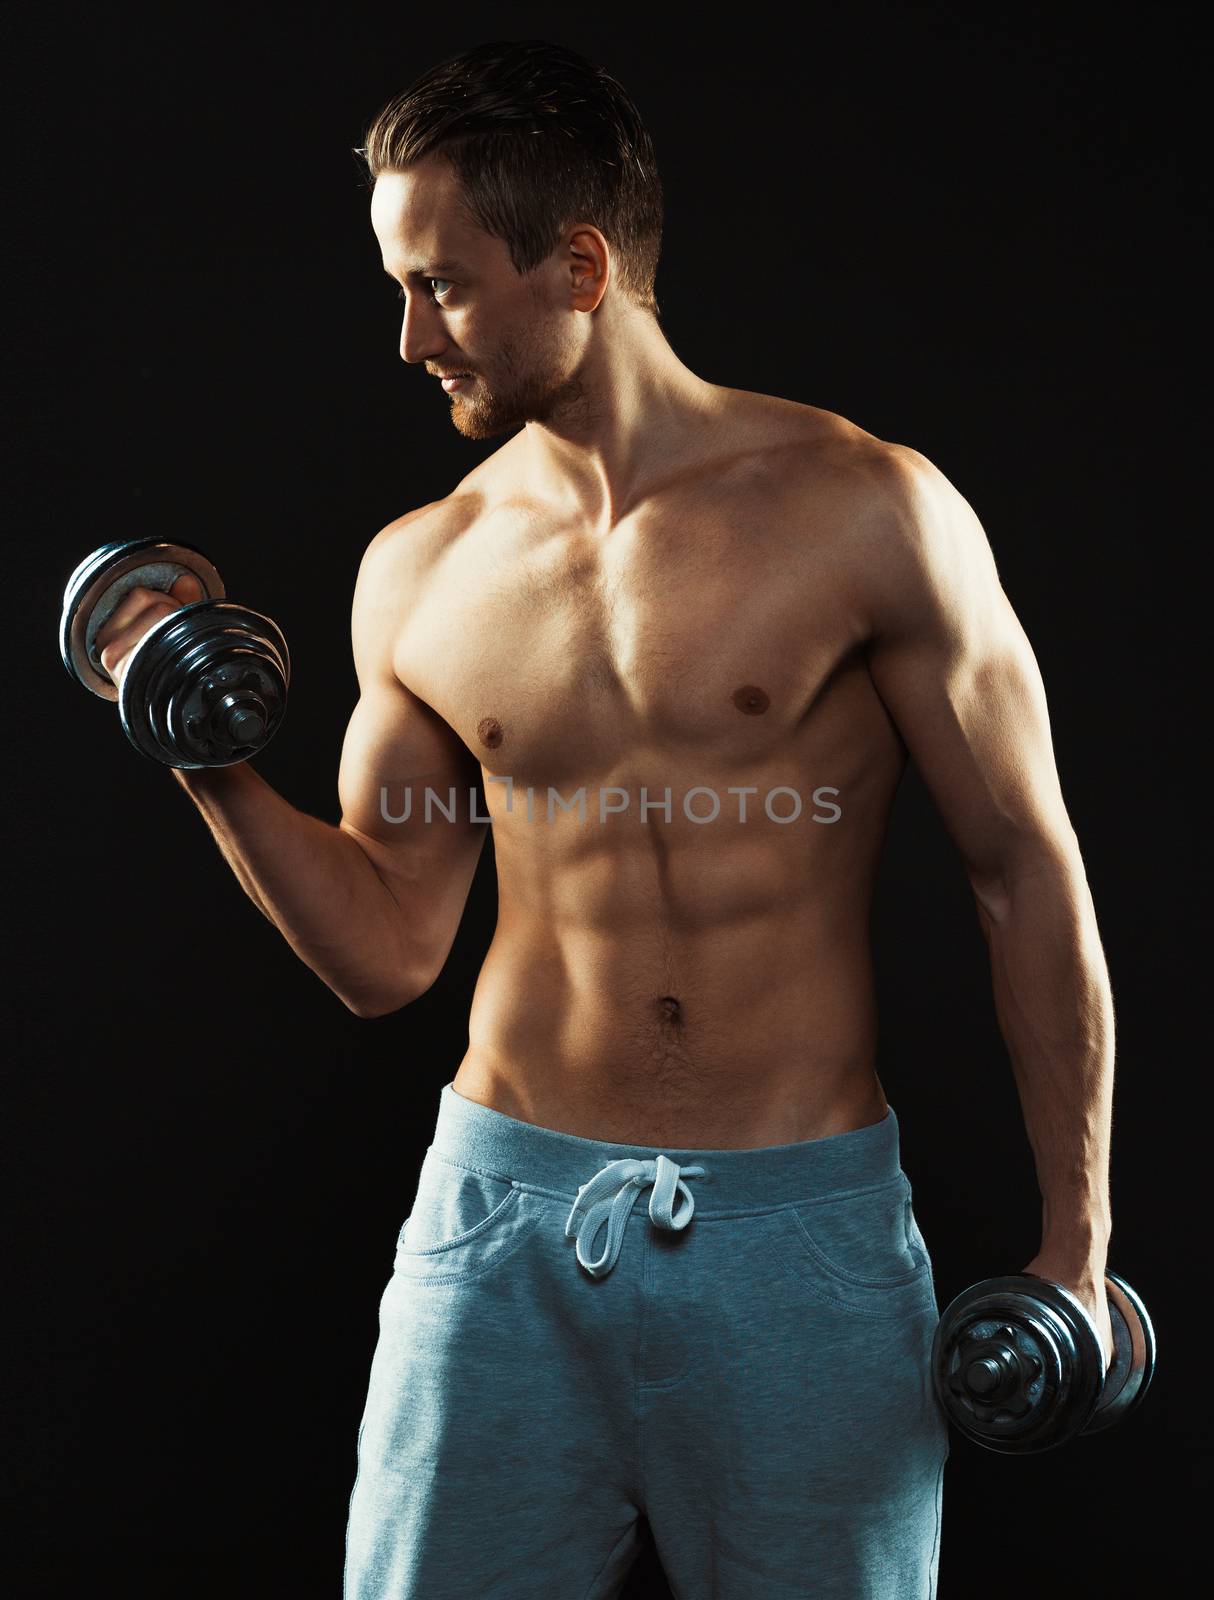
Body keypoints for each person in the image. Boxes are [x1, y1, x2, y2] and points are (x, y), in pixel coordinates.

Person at [94, 37, 1117, 1600]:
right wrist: (198, 743)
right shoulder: (421, 568)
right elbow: (384, 952)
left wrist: (1079, 1247)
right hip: (497, 1240)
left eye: (436, 285)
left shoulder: (864, 509)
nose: (404, 335)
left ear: (577, 265)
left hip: (798, 1246)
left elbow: (1021, 875)